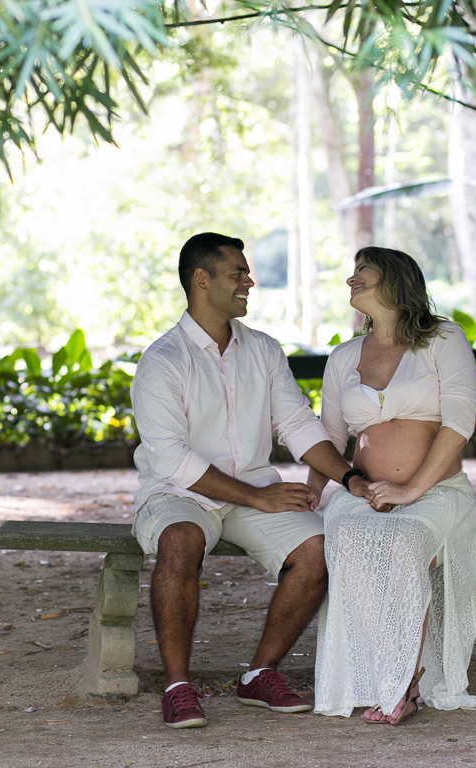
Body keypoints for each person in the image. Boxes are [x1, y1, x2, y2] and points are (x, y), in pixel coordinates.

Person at [131, 232, 371, 729]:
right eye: (237, 273)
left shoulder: (263, 350)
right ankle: (178, 687)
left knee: (319, 547)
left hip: (252, 492)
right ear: (202, 280)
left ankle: (260, 674)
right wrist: (256, 497)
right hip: (181, 494)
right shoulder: (162, 360)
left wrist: (348, 477)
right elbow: (172, 459)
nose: (249, 281)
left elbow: (298, 424)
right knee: (179, 540)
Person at [309, 246, 476, 724]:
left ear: (395, 279)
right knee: (348, 538)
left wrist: (411, 492)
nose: (352, 280)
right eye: (351, 272)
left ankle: (404, 685)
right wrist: (316, 491)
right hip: (363, 494)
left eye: (362, 271)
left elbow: (459, 423)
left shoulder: (443, 339)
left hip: (436, 494)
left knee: (403, 540)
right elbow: (327, 437)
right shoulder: (343, 357)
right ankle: (387, 677)